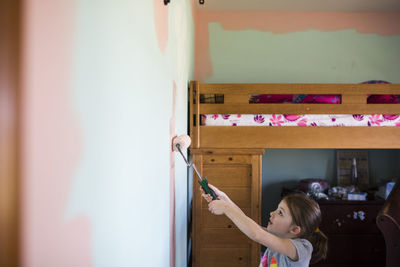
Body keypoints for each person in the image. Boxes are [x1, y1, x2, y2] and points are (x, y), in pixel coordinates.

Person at [201, 184, 328, 267]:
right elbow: (248, 223)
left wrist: (226, 208)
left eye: (280, 213)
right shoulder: (278, 236)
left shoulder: (302, 249)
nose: (272, 213)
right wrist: (224, 199)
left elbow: (256, 234)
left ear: (295, 229)